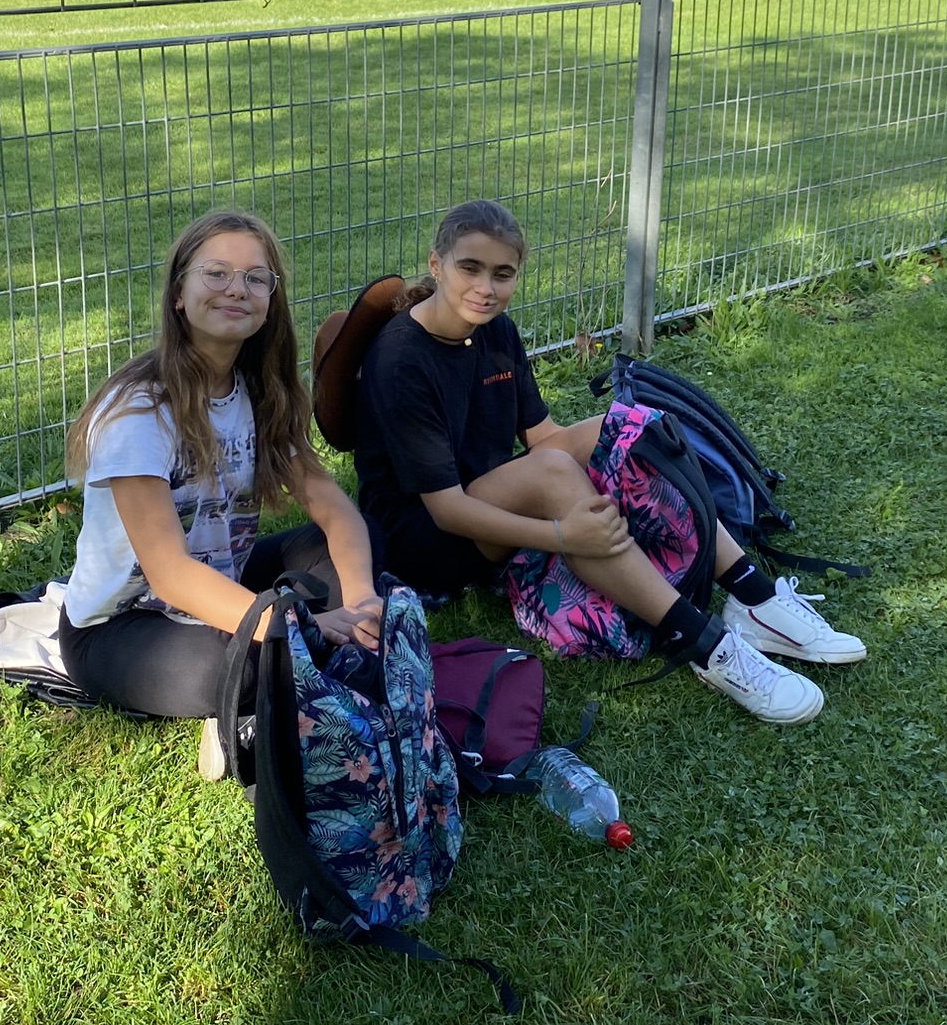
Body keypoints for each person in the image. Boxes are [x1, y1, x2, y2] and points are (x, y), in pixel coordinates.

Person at [353, 200, 866, 725]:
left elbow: (543, 435)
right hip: (423, 539)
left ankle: (752, 595)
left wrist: (616, 450)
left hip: (485, 493)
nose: (486, 287)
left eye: (502, 274)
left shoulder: (495, 330)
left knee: (625, 424)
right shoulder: (401, 359)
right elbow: (447, 510)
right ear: (436, 264)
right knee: (554, 474)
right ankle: (704, 644)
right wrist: (562, 535)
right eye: (470, 268)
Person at [59, 210, 383, 779]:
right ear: (178, 294)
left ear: (270, 302)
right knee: (251, 659)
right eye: (216, 273)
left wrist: (360, 604)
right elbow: (169, 576)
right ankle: (248, 701)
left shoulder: (262, 394)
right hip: (121, 628)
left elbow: (336, 511)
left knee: (349, 547)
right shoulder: (139, 411)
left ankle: (278, 671)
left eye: (256, 278)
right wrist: (293, 623)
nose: (237, 289)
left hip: (223, 587)